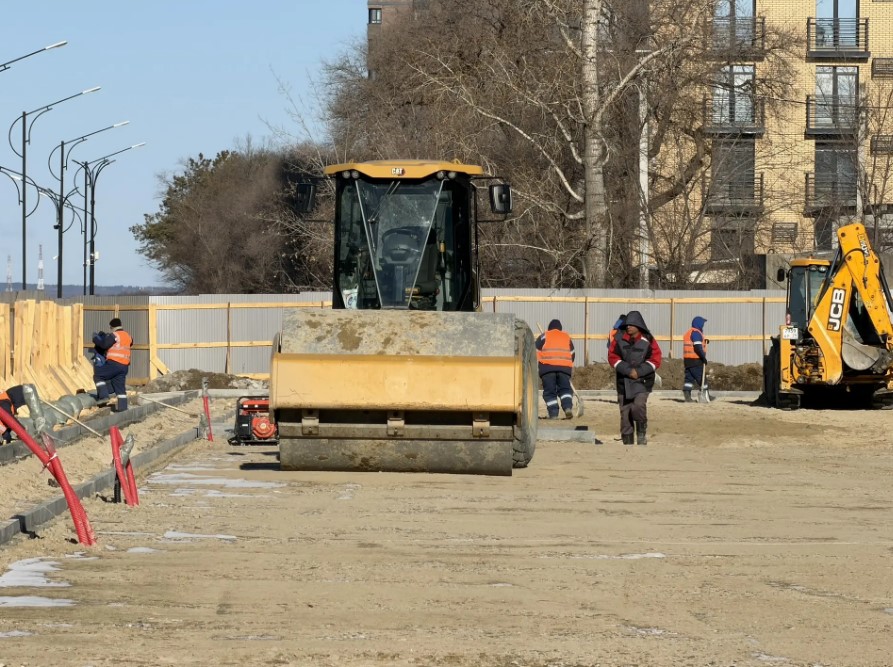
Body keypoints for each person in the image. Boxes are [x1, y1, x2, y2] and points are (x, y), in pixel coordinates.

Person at [607, 310, 662, 445]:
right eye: (627, 324)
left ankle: (641, 435)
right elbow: (612, 357)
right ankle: (628, 444)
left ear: (639, 326)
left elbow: (655, 359)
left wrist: (639, 372)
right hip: (623, 381)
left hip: (643, 381)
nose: (628, 326)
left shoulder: (648, 340)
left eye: (631, 324)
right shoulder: (619, 339)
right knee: (625, 414)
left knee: (638, 406)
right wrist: (628, 370)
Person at [536, 319, 575, 419]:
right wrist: (567, 364)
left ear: (549, 328)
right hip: (564, 369)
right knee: (565, 389)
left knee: (550, 392)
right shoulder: (566, 337)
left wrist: (540, 363)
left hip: (547, 369)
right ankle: (567, 407)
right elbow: (572, 353)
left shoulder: (544, 336)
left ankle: (553, 414)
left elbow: (535, 351)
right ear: (560, 329)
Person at [92, 317, 133, 412]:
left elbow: (104, 345)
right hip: (124, 366)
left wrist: (95, 339)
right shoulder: (128, 336)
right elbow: (126, 344)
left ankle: (104, 397)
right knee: (120, 388)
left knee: (98, 375)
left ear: (112, 327)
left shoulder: (115, 335)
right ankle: (123, 409)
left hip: (114, 363)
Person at [682, 316, 708, 403]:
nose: (703, 325)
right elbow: (697, 347)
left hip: (687, 360)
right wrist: (703, 357)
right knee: (702, 379)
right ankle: (706, 396)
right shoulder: (696, 333)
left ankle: (687, 396)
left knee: (689, 379)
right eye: (702, 323)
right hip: (695, 360)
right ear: (699, 324)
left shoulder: (690, 332)